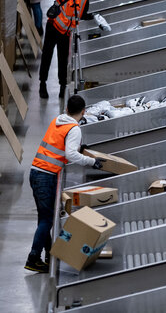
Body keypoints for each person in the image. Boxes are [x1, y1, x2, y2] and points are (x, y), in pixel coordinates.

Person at [25, 95, 104, 273]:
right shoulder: (74, 129)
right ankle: (33, 257)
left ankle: (47, 255)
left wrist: (80, 148)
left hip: (36, 172)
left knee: (44, 219)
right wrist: (92, 162)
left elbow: (59, 145)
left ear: (67, 109)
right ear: (83, 111)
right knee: (46, 220)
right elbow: (70, 155)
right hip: (46, 176)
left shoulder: (58, 121)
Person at [38, 0, 96, 99]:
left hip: (66, 32)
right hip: (53, 27)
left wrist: (94, 16)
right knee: (47, 54)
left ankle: (62, 87)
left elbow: (82, 15)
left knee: (63, 60)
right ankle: (42, 84)